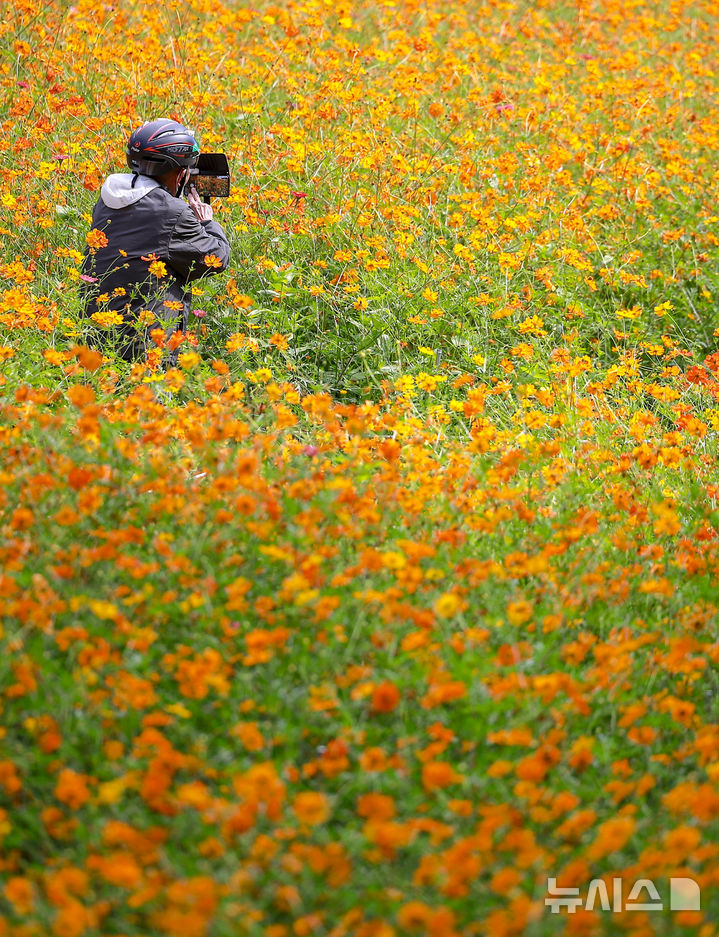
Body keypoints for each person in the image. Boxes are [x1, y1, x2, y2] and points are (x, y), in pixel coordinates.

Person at [81, 119, 230, 361]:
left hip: (95, 335)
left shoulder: (108, 198)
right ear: (181, 173)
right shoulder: (173, 212)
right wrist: (206, 222)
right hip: (143, 344)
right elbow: (216, 258)